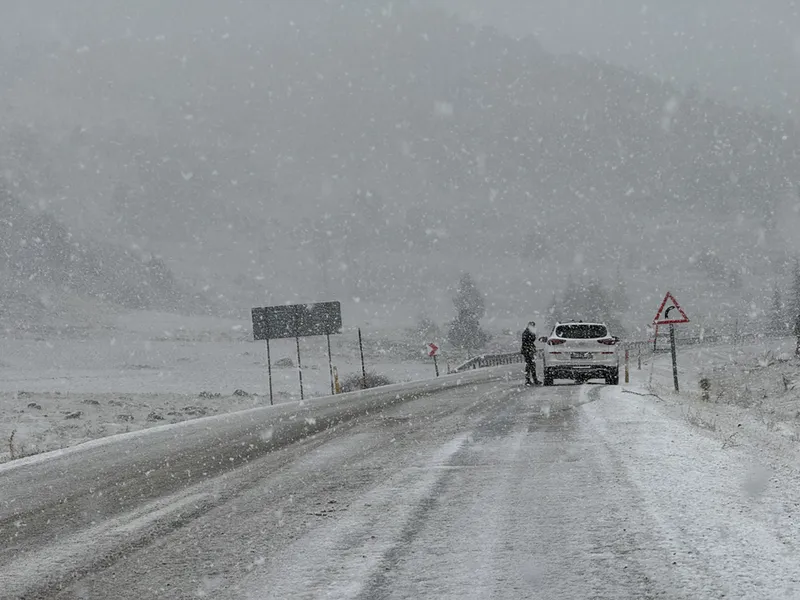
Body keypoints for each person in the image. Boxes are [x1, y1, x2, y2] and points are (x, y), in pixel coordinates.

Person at [521, 321, 540, 386]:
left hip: (528, 350)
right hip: (528, 351)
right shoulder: (527, 332)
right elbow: (531, 340)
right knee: (531, 365)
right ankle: (531, 380)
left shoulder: (527, 332)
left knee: (530, 365)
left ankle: (530, 380)